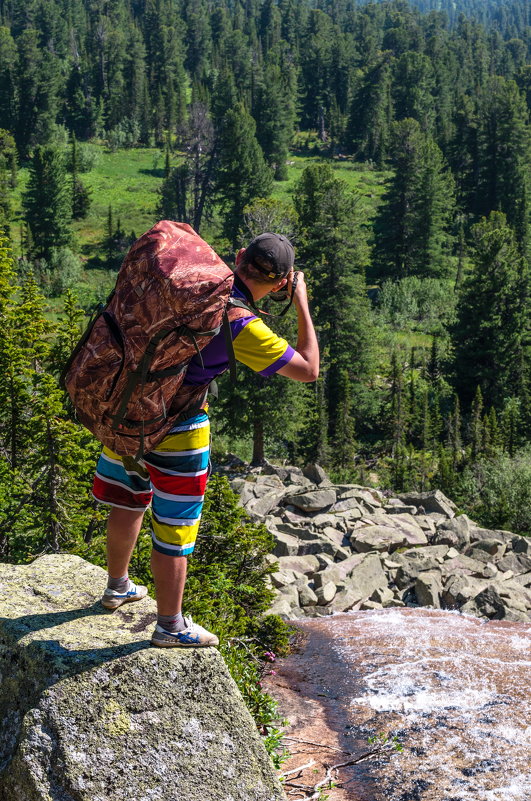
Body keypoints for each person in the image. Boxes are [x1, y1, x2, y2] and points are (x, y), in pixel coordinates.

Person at [92, 233, 319, 647]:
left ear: (237, 258)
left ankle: (117, 586)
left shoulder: (189, 284)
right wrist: (302, 302)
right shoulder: (242, 326)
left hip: (127, 408)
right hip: (180, 429)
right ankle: (170, 626)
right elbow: (307, 369)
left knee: (128, 499)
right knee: (175, 530)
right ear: (283, 280)